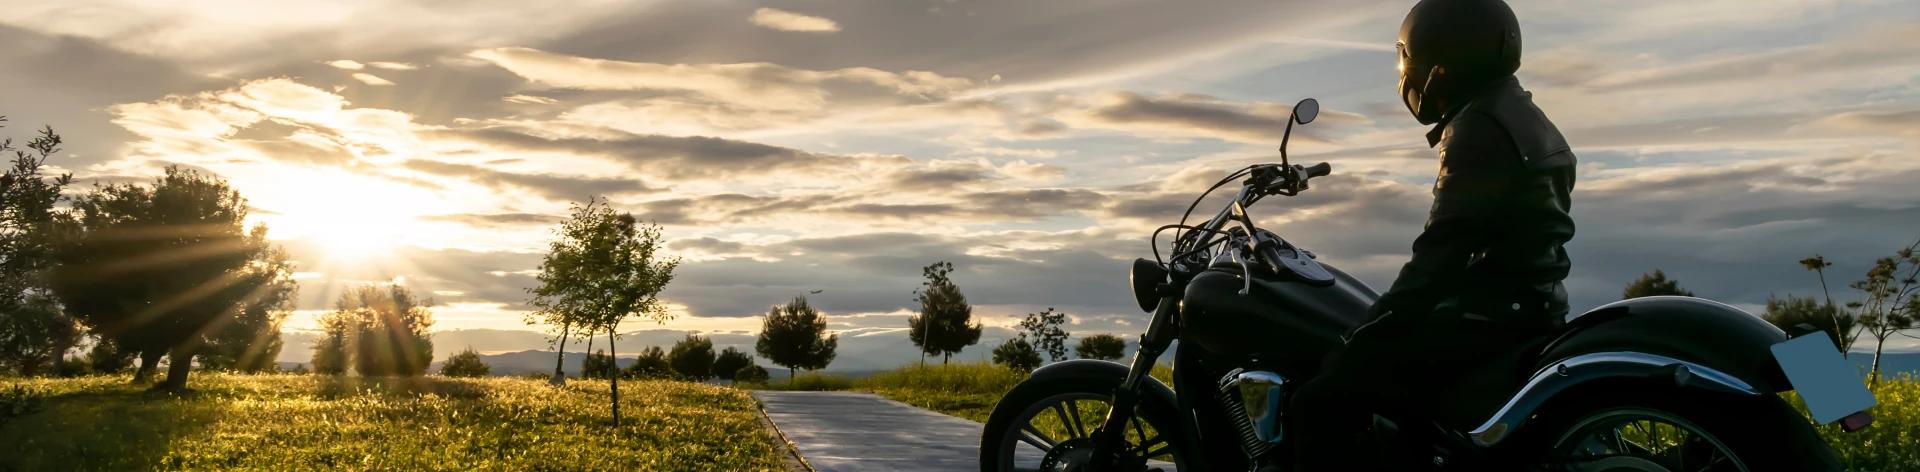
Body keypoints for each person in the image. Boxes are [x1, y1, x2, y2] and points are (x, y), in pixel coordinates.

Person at [1286, 0, 1577, 469]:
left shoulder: (1476, 128)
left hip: (1481, 320)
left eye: (1408, 58)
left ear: (1438, 62)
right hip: (1531, 308)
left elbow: (1442, 251)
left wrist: (1369, 329)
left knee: (1318, 401)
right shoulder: (1524, 113)